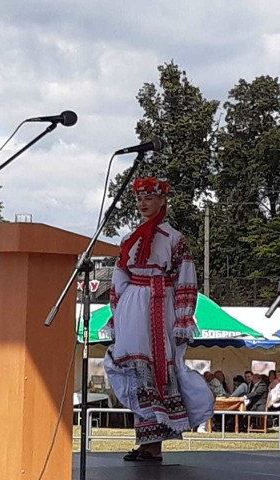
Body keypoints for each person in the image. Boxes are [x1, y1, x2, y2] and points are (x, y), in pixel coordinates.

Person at [103, 177, 214, 462]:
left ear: (163, 200)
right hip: (133, 307)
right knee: (137, 370)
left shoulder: (175, 240)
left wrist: (183, 317)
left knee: (156, 371)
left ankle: (153, 445)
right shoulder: (130, 239)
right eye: (139, 198)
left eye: (149, 198)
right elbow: (119, 278)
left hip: (159, 306)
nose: (143, 203)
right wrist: (118, 312)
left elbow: (186, 279)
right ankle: (145, 441)